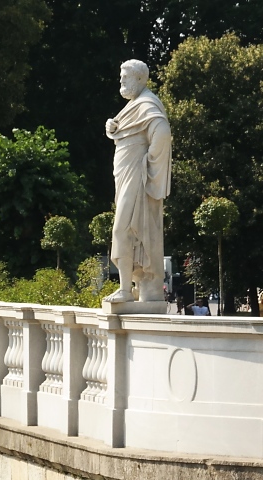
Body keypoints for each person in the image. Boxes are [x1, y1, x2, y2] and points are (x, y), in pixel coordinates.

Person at [103, 60, 172, 303]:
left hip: (136, 176)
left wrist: (148, 165)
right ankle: (128, 286)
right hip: (124, 176)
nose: (121, 81)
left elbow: (162, 133)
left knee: (123, 228)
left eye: (125, 77)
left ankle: (125, 289)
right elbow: (126, 133)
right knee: (125, 228)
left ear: (140, 79)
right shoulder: (134, 106)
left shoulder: (147, 104)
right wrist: (112, 128)